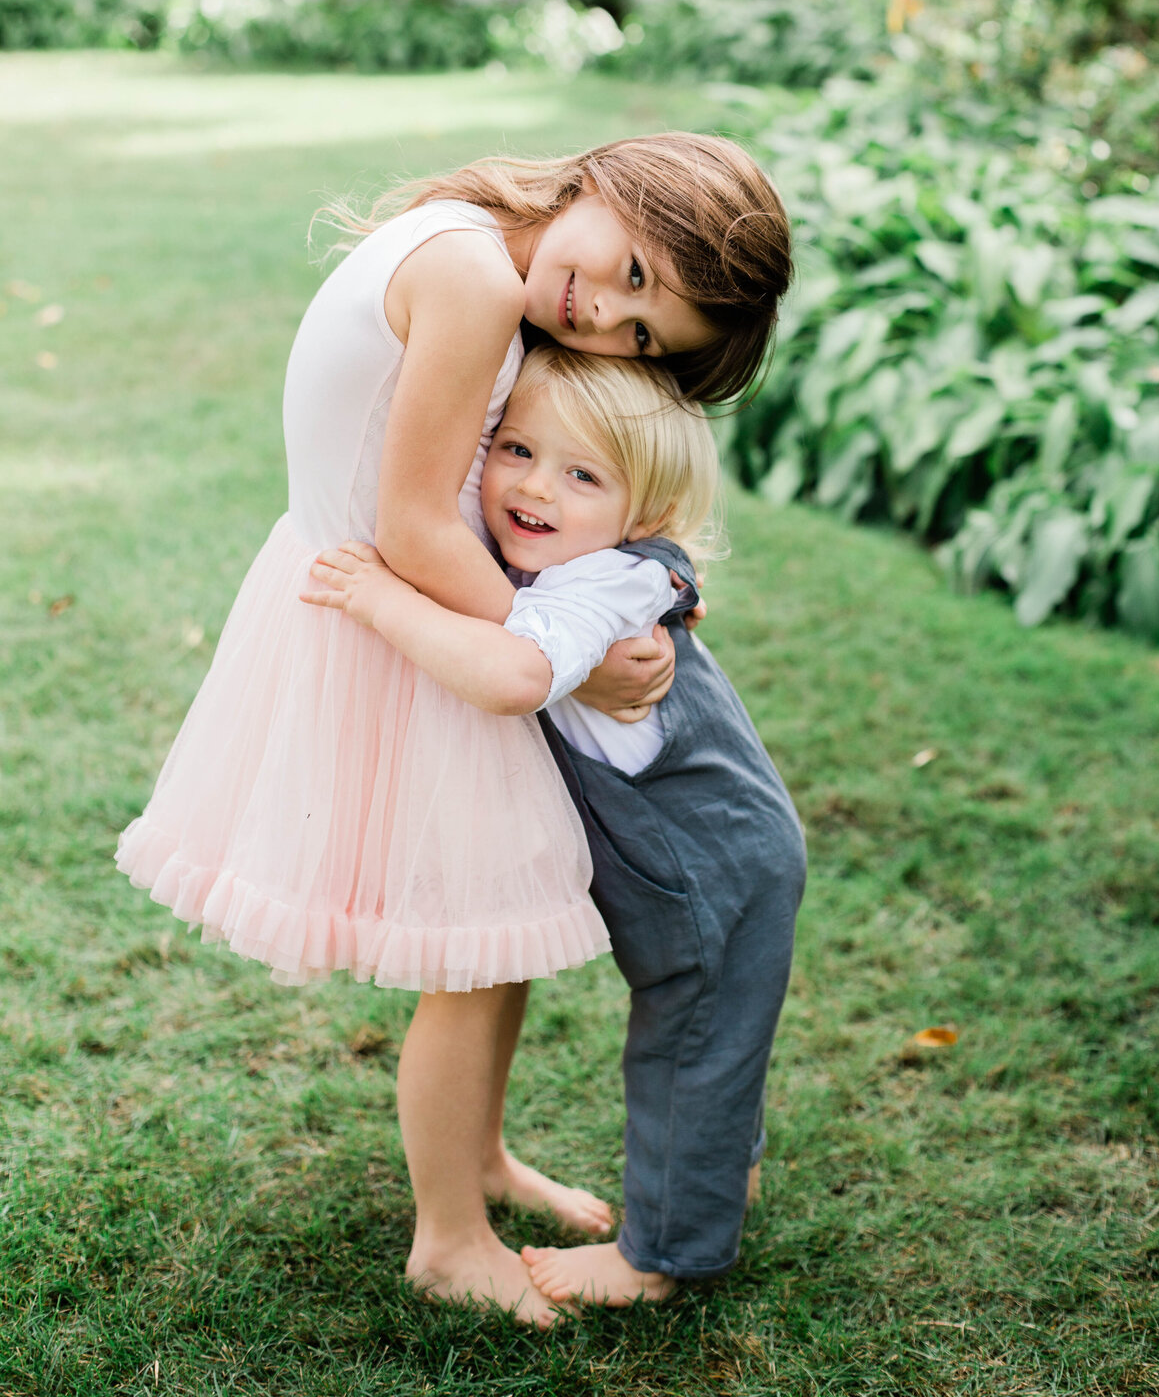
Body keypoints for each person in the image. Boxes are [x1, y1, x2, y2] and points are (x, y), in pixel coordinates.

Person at [115, 133, 792, 1326]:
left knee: (498, 929)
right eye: (634, 272)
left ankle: (477, 1160)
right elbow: (417, 528)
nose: (604, 318)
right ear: (607, 182)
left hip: (413, 609)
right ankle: (448, 1235)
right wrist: (564, 660)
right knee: (470, 954)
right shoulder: (477, 276)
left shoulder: (489, 253)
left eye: (643, 337)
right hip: (402, 618)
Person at [304, 346, 807, 1310]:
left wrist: (380, 596)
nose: (534, 486)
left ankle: (659, 1256)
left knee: (689, 1048)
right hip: (701, 860)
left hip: (712, 870)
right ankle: (716, 1178)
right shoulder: (553, 562)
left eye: (582, 475)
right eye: (517, 448)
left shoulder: (609, 587)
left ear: (643, 518)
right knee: (716, 1041)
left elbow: (509, 675)